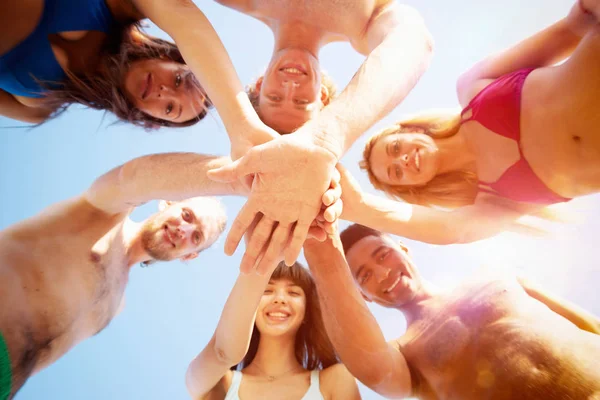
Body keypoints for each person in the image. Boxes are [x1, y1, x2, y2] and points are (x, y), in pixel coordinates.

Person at [347, 1, 600, 244]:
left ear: (411, 129)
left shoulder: (473, 86)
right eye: (396, 173)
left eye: (395, 148)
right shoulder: (494, 203)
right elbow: (451, 231)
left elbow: (571, 28)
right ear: (414, 188)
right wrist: (358, 207)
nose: (401, 160)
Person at [207, 0, 433, 271]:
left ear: (258, 85)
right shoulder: (367, 23)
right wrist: (325, 143)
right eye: (302, 102)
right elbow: (414, 41)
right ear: (322, 98)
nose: (291, 86)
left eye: (274, 97)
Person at [0, 152, 243, 399]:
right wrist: (242, 176)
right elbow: (135, 177)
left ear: (189, 255)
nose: (184, 230)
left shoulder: (116, 304)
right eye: (187, 215)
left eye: (196, 237)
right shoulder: (105, 213)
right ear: (167, 202)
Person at [303, 223, 600, 399]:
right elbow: (374, 371)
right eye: (364, 276)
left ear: (404, 249)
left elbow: (588, 325)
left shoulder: (496, 276)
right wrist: (323, 260)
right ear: (364, 297)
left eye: (383, 255)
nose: (382, 273)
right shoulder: (401, 353)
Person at [0, 0, 267, 133]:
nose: (164, 93)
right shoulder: (122, 6)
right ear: (171, 57)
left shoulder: (37, 107)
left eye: (170, 109)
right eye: (178, 81)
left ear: (149, 117)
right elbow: (183, 19)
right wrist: (243, 126)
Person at [185, 261, 360, 400]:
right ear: (250, 306)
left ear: (307, 310)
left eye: (293, 293)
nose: (280, 299)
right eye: (267, 290)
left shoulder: (335, 379)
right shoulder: (220, 382)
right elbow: (221, 352)